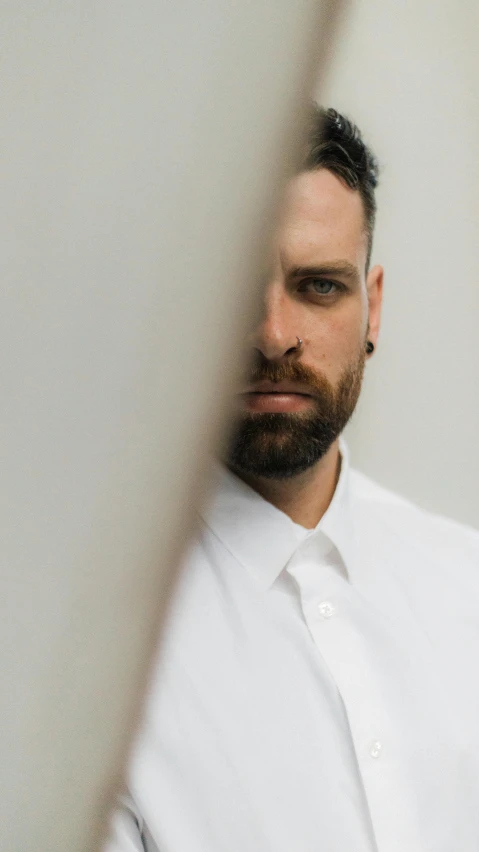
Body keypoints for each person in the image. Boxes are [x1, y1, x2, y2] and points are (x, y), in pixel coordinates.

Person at [105, 107, 479, 852]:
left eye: (317, 287)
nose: (273, 333)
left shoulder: (465, 585)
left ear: (373, 307)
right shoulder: (97, 656)